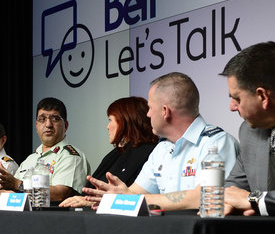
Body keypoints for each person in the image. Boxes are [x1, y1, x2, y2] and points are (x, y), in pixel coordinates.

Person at [81, 72, 239, 211]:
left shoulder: (217, 143)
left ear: (165, 111)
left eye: (150, 108)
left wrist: (131, 199)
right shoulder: (161, 149)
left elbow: (204, 197)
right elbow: (134, 193)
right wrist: (108, 199)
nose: (148, 114)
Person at [60, 96, 158, 207]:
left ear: (124, 121)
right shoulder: (116, 154)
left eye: (110, 120)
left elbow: (129, 197)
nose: (107, 127)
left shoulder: (148, 153)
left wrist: (90, 201)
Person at [219, 41, 275, 216]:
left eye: (237, 98)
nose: (232, 107)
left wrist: (255, 200)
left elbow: (249, 198)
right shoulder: (249, 132)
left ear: (262, 96)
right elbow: (232, 189)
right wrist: (228, 202)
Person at [0, 97, 91, 202]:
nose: (48, 125)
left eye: (55, 119)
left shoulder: (71, 156)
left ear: (65, 126)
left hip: (53, 217)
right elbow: (8, 190)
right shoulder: (30, 159)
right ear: (36, 126)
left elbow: (60, 194)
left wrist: (17, 184)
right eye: (42, 119)